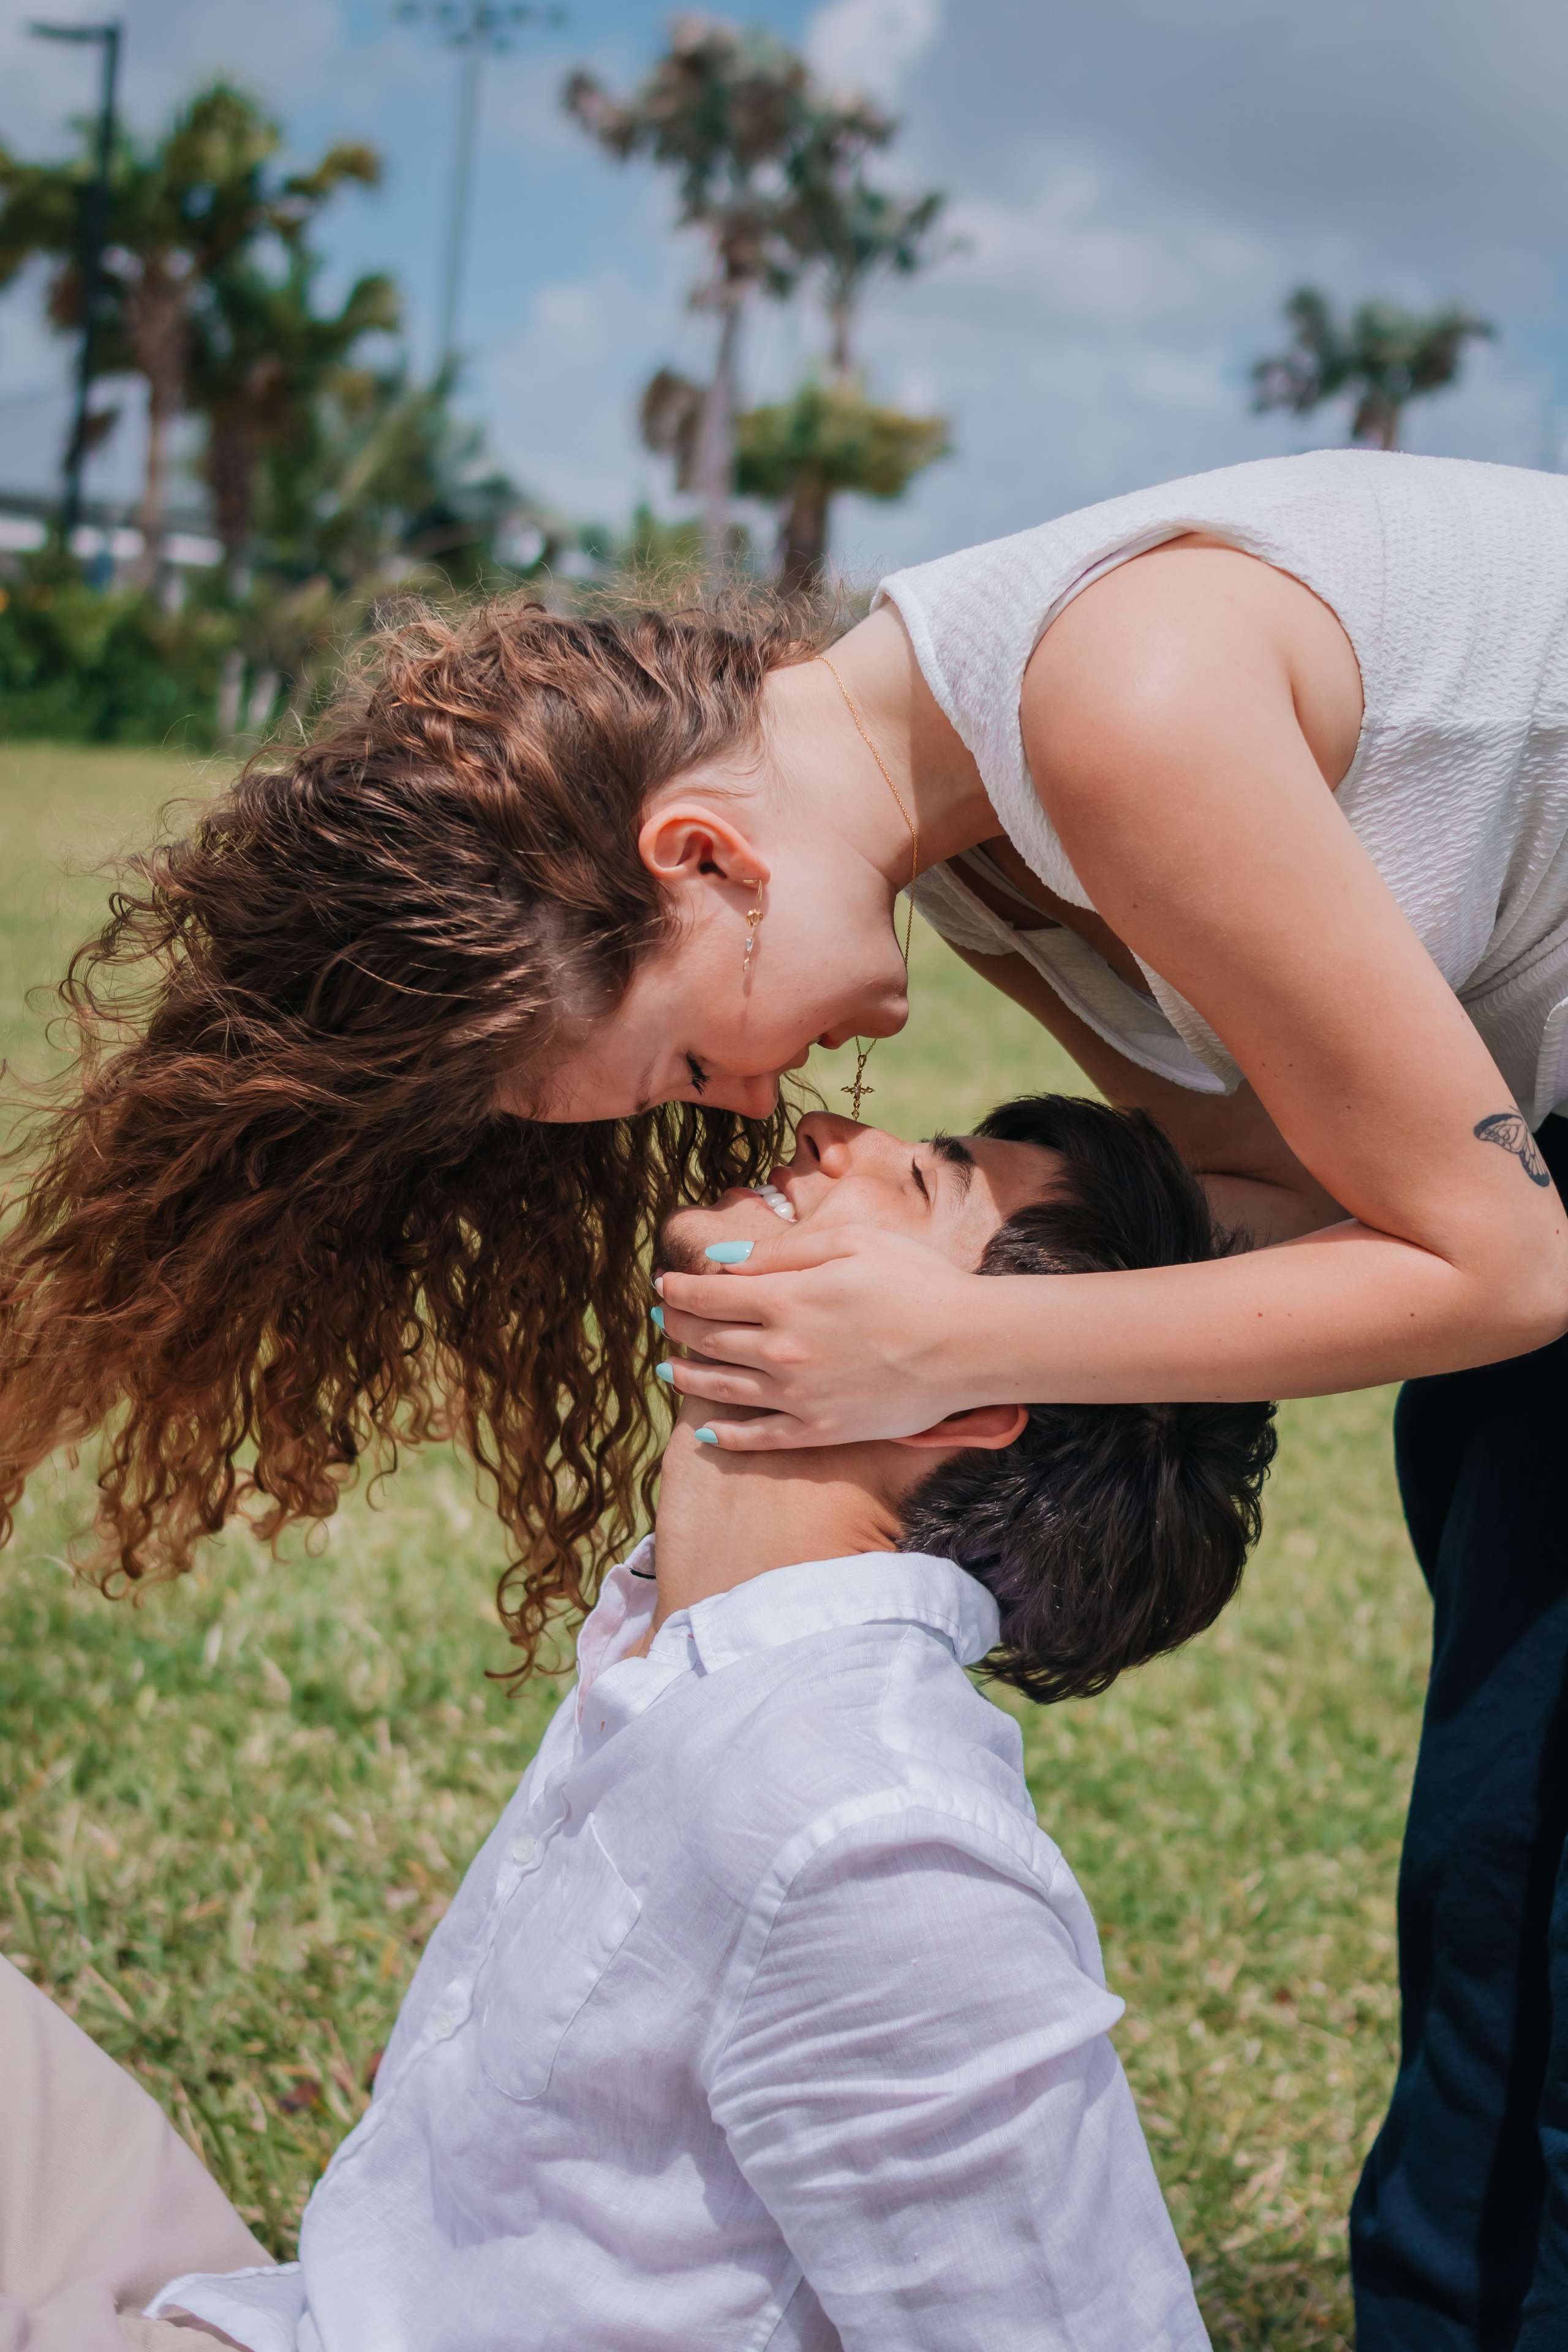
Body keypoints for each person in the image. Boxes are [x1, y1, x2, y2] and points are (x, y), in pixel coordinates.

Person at [4, 447, 1568, 2344]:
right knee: (1499, 1884)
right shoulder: (980, 846)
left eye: (682, 1065)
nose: (754, 1110)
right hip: (1526, 1161)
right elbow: (1286, 1192)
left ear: (700, 857)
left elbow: (1506, 1269)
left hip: (1529, 1212)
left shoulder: (1120, 710)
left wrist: (955, 1346)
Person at [4, 1095, 1276, 2352]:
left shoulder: (869, 1831)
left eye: (918, 1181)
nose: (835, 1135)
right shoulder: (688, 1657)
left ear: (960, 1400)